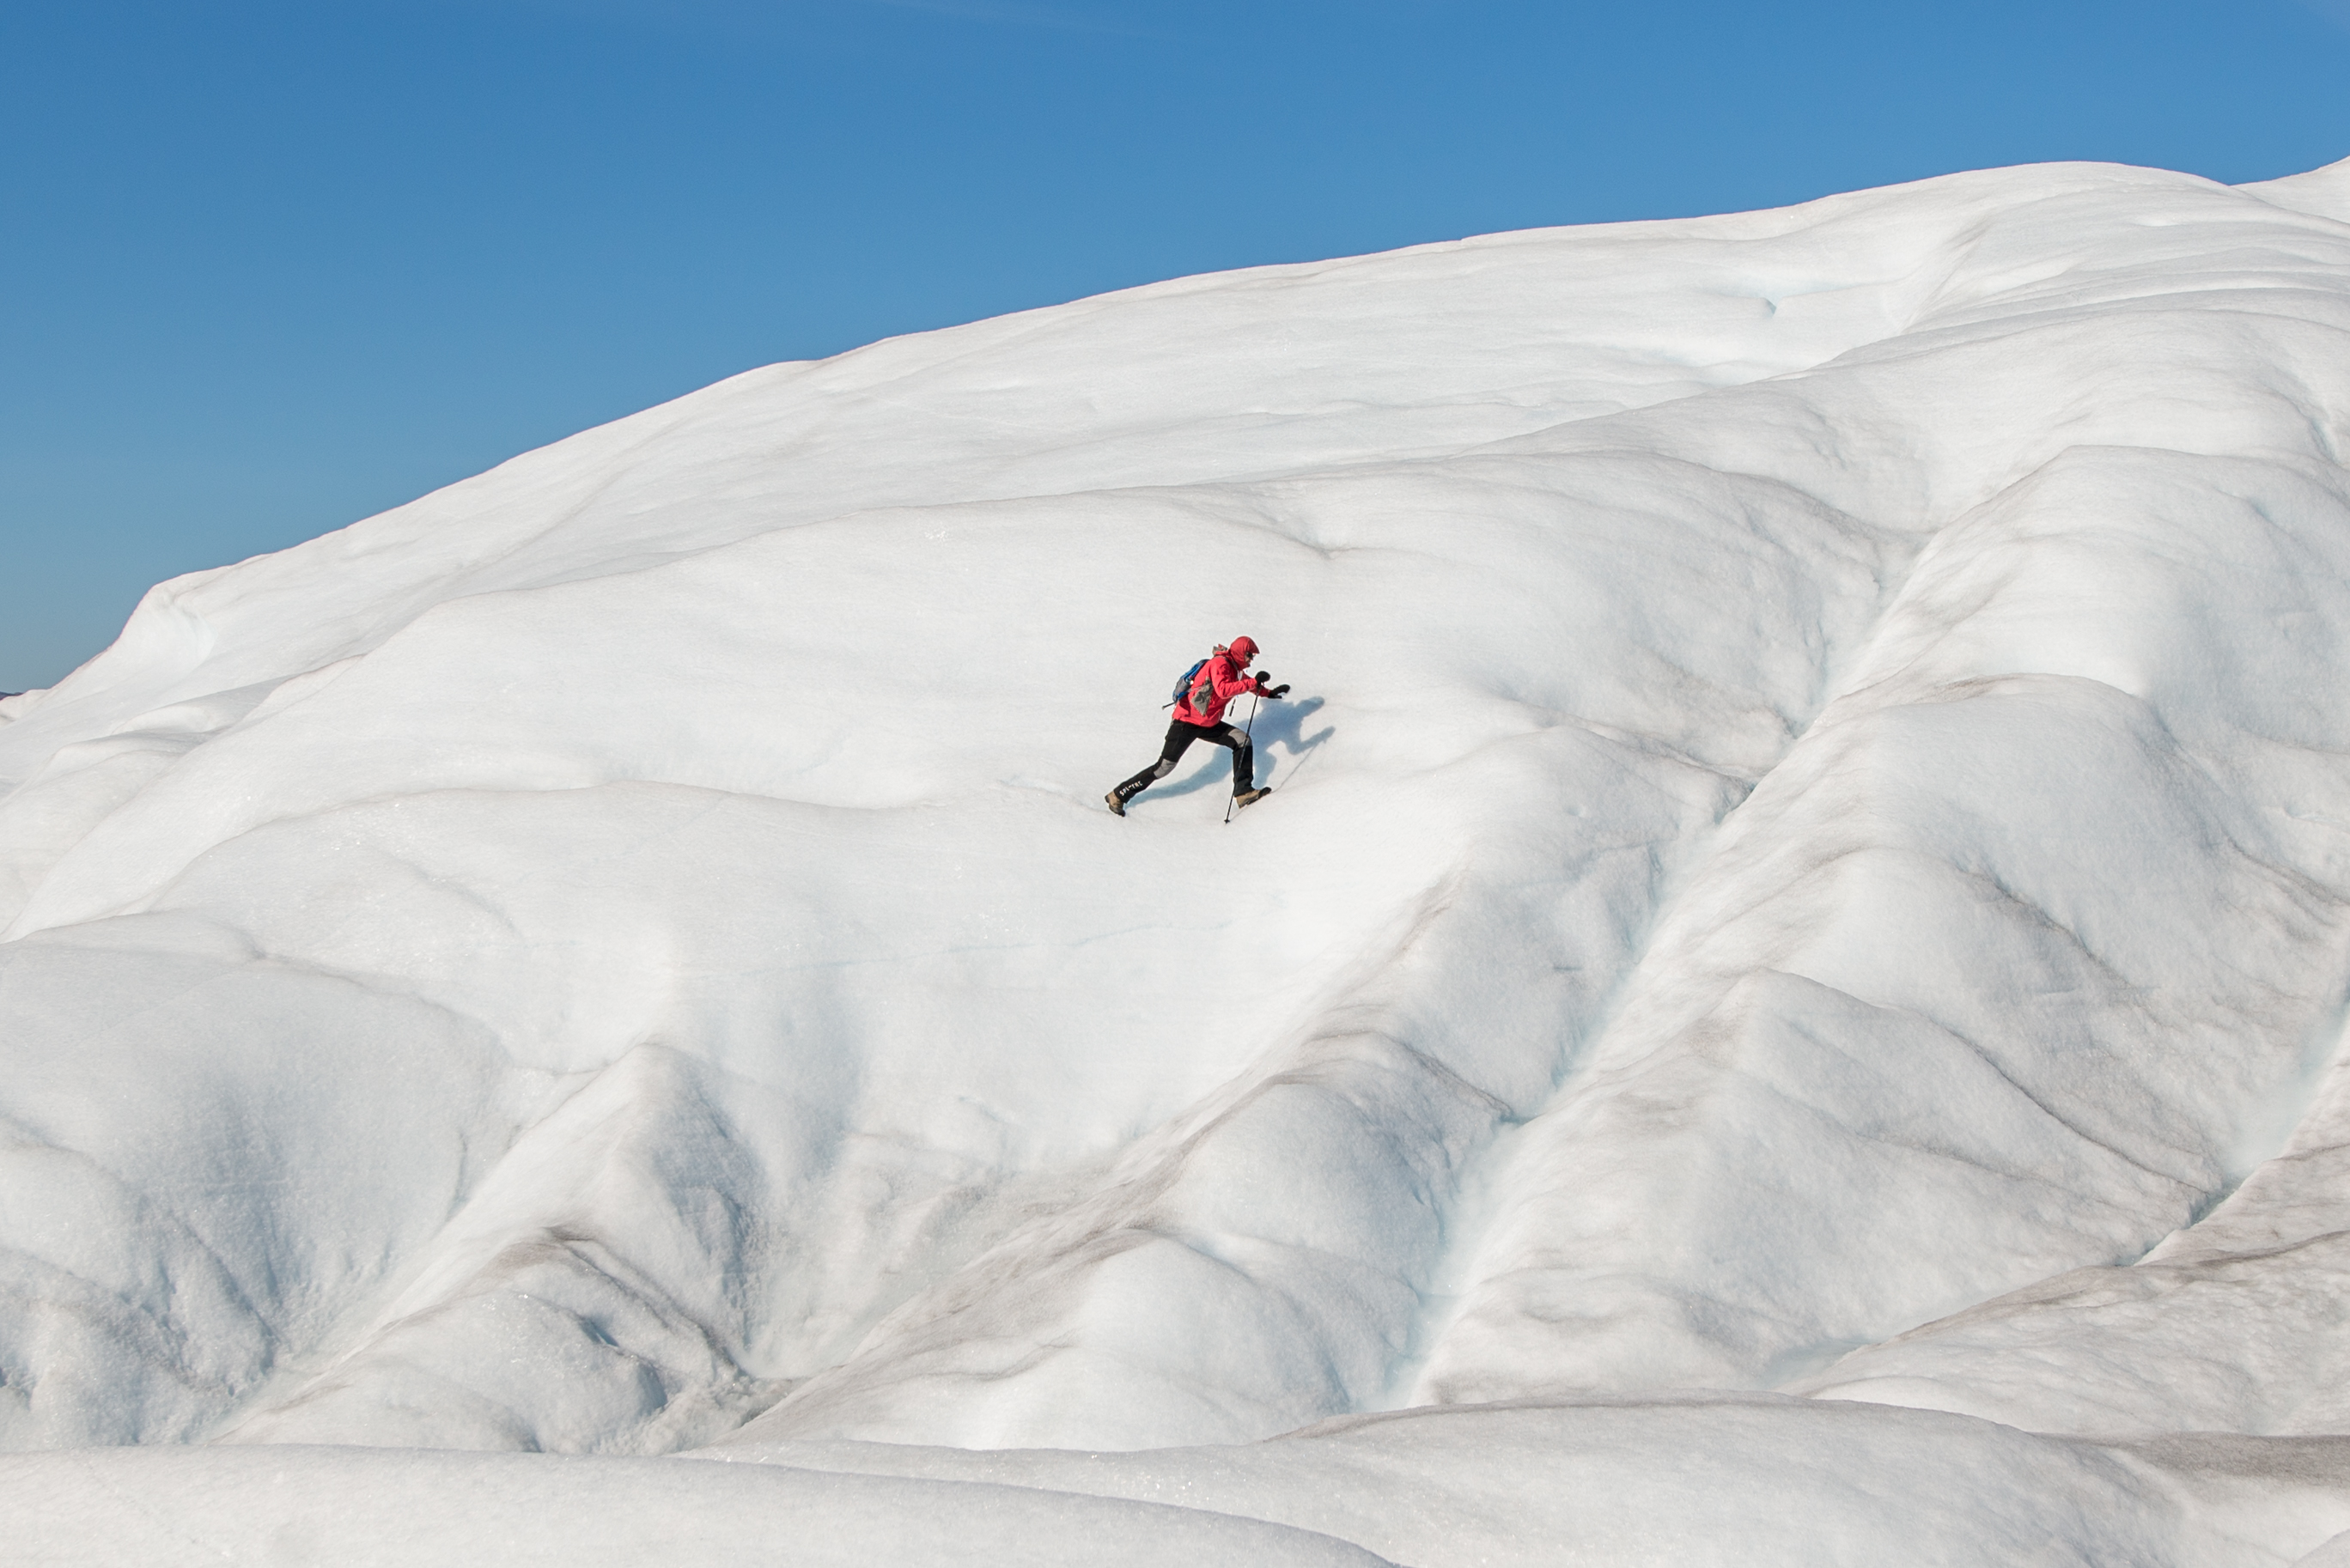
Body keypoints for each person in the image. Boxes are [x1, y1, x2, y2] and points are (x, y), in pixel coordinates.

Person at [1108, 635, 1291, 816]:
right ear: (1239, 652)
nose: (1251, 660)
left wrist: (1268, 693)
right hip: (1186, 722)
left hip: (1207, 723)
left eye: (1253, 656)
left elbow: (1248, 684)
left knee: (1242, 741)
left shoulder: (1235, 669)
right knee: (1164, 767)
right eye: (1249, 655)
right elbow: (1223, 689)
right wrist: (1254, 682)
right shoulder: (1220, 664)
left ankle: (1244, 793)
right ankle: (1118, 795)